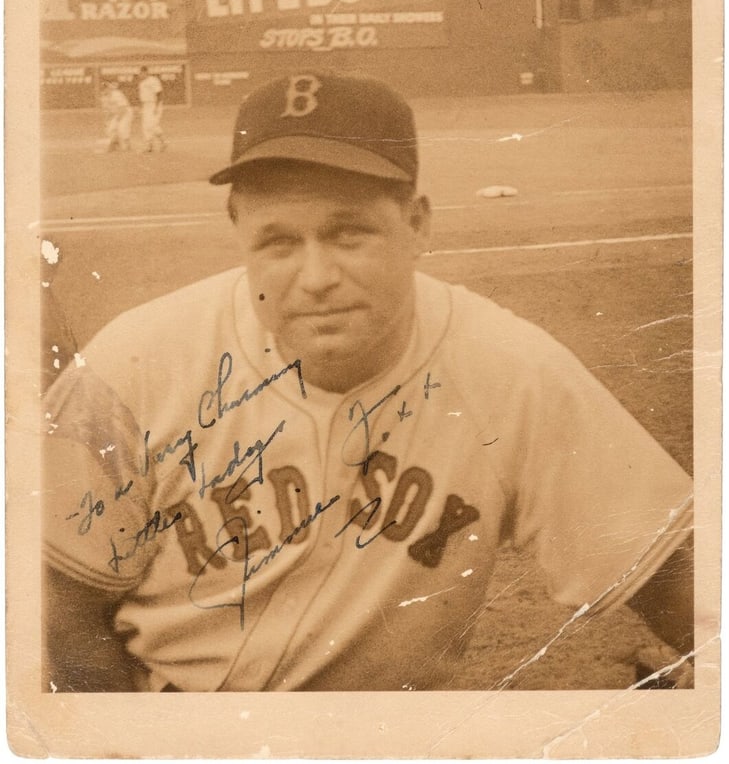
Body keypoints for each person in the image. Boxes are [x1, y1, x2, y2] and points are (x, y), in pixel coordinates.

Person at [42, 72, 693, 693]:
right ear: (237, 230)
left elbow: (674, 571)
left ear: (416, 224)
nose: (316, 274)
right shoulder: (132, 366)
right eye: (278, 242)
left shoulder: (509, 370)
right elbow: (54, 601)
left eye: (348, 233)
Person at [137, 65, 166, 152]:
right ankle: (150, 145)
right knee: (146, 126)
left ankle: (162, 142)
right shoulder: (141, 83)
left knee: (151, 125)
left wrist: (157, 107)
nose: (140, 75)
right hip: (146, 105)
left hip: (154, 104)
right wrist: (141, 107)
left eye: (141, 73)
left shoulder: (153, 80)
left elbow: (159, 93)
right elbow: (142, 97)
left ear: (145, 72)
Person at [99, 80, 133, 152]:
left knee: (122, 128)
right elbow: (107, 111)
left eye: (106, 88)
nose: (104, 89)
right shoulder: (103, 98)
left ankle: (128, 146)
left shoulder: (116, 94)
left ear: (109, 88)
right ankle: (114, 145)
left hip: (126, 112)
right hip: (117, 114)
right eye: (103, 88)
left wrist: (118, 120)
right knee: (110, 129)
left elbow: (123, 108)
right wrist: (106, 121)